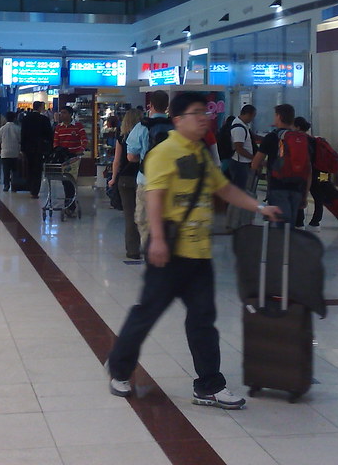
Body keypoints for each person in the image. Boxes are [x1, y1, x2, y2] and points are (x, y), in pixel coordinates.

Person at [107, 92, 281, 408]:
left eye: (205, 113)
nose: (204, 119)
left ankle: (209, 385)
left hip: (199, 252)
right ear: (178, 119)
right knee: (147, 314)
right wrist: (158, 240)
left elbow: (223, 188)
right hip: (170, 251)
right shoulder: (163, 153)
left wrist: (258, 207)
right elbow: (155, 198)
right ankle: (119, 368)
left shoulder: (200, 153)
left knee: (203, 319)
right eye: (196, 113)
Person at [251, 103, 310, 229]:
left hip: (277, 186)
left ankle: (281, 241)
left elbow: (255, 163)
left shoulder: (271, 137)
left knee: (280, 225)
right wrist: (305, 195)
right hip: (297, 187)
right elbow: (308, 169)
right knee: (291, 225)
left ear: (279, 116)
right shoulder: (301, 139)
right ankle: (288, 240)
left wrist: (266, 166)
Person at [126, 91, 173, 240]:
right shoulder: (175, 126)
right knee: (168, 222)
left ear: (150, 105)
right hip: (171, 182)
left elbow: (131, 156)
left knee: (145, 223)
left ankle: (149, 250)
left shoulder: (142, 126)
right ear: (167, 105)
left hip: (147, 181)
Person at [109, 108, 144, 259]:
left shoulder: (122, 137)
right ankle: (147, 245)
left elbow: (117, 161)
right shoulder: (145, 134)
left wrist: (113, 178)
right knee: (145, 214)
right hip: (143, 177)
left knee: (130, 216)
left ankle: (132, 250)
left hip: (125, 179)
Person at [223, 105, 258, 231]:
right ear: (248, 114)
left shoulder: (243, 126)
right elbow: (239, 148)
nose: (253, 119)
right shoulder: (238, 128)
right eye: (253, 116)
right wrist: (254, 158)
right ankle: (233, 223)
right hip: (239, 164)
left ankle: (235, 221)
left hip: (242, 163)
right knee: (239, 193)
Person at [53, 106, 89, 206]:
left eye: (64, 113)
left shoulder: (78, 126)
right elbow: (55, 142)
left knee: (71, 180)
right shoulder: (58, 128)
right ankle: (69, 202)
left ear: (70, 114)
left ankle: (69, 203)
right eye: (61, 113)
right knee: (65, 180)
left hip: (73, 158)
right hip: (62, 157)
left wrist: (81, 149)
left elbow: (84, 139)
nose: (61, 115)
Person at [294, 116, 324, 230]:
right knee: (318, 196)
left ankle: (299, 222)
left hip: (306, 171)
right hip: (320, 171)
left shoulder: (300, 140)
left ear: (297, 127)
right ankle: (315, 222)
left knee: (301, 194)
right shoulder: (314, 139)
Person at [20, 101, 53, 198]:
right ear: (39, 108)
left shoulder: (25, 118)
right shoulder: (44, 119)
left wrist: (22, 148)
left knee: (29, 167)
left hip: (28, 147)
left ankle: (30, 186)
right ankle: (35, 191)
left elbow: (23, 134)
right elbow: (49, 135)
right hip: (40, 147)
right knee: (38, 169)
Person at [0, 111, 22, 191]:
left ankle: (6, 186)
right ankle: (14, 186)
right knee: (15, 170)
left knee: (6, 170)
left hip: (5, 153)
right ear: (14, 118)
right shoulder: (18, 128)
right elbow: (21, 141)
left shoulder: (2, 128)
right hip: (15, 153)